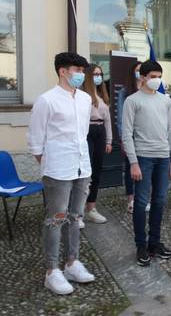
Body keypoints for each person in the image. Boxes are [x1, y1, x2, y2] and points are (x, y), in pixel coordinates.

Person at [27, 52, 96, 295]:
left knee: (75, 217)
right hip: (58, 169)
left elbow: (83, 132)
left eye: (82, 70)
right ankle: (52, 270)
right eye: (76, 70)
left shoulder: (86, 99)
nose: (81, 75)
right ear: (62, 71)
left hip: (81, 166)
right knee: (56, 217)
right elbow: (36, 140)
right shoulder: (47, 100)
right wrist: (48, 162)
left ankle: (72, 263)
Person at [122, 60, 171, 267]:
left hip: (163, 157)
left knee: (160, 200)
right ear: (143, 77)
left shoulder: (165, 101)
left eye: (159, 76)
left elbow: (170, 130)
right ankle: (141, 245)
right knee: (140, 202)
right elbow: (127, 134)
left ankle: (155, 242)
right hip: (143, 158)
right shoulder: (132, 101)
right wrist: (133, 162)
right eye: (153, 76)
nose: (156, 80)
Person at [81, 64, 113, 225]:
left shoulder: (103, 95)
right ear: (88, 76)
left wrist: (109, 141)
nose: (98, 77)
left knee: (97, 171)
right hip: (87, 131)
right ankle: (78, 211)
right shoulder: (82, 95)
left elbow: (108, 122)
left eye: (100, 74)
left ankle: (91, 208)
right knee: (85, 171)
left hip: (100, 132)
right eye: (95, 74)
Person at [116, 61, 142, 213]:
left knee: (144, 166)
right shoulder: (125, 92)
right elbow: (120, 117)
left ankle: (142, 197)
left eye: (141, 70)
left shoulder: (149, 91)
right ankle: (131, 200)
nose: (139, 73)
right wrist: (123, 139)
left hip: (145, 136)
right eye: (137, 70)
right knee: (131, 166)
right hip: (130, 135)